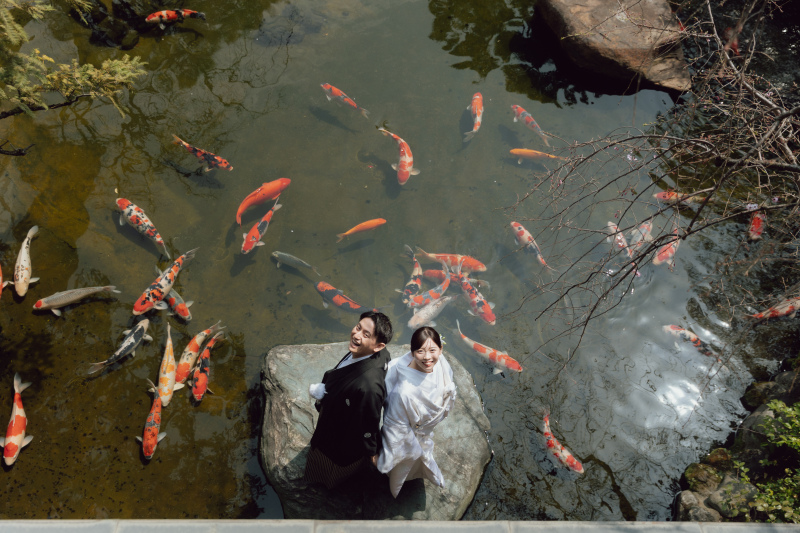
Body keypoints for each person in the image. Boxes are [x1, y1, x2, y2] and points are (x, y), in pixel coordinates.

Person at [304, 310, 393, 489]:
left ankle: (327, 483)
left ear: (378, 346)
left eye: (366, 334)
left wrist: (371, 452)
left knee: (330, 463)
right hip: (339, 409)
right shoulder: (373, 354)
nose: (357, 335)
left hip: (341, 435)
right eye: (358, 328)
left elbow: (369, 422)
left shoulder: (369, 387)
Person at [377, 326, 457, 498]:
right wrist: (412, 449)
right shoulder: (403, 392)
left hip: (422, 431)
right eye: (420, 351)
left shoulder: (441, 363)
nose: (428, 357)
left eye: (432, 350)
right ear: (412, 352)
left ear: (441, 349)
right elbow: (395, 427)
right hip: (410, 435)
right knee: (406, 460)